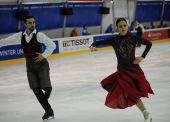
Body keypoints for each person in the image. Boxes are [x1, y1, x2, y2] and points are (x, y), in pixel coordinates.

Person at [90, 18, 154, 122]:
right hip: (122, 72)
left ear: (127, 26)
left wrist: (142, 57)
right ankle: (146, 114)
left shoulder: (133, 38)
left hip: (134, 70)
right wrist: (92, 46)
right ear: (117, 28)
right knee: (131, 91)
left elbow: (149, 44)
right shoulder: (114, 40)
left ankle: (146, 114)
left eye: (124, 25)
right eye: (120, 26)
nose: (123, 27)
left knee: (138, 89)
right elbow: (97, 42)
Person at [0, 15, 56, 121]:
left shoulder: (39, 35)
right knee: (35, 89)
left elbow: (52, 45)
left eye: (33, 22)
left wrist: (43, 55)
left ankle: (47, 97)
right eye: (30, 23)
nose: (32, 24)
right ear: (25, 24)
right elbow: (5, 41)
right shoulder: (20, 36)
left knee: (46, 88)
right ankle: (48, 110)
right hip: (29, 65)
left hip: (41, 64)